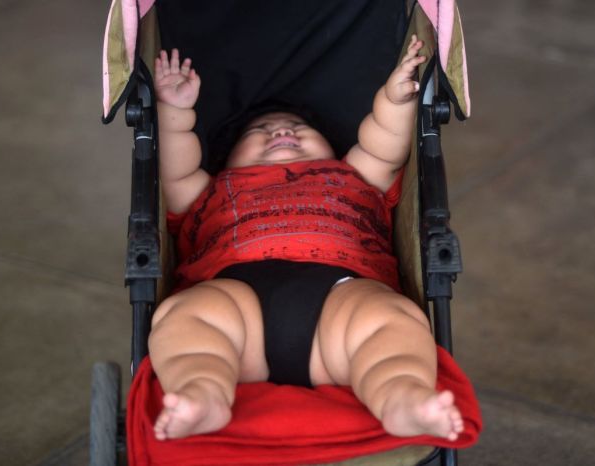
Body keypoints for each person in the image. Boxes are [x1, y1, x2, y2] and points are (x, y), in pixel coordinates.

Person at [149, 35, 464, 442]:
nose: (282, 130)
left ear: (334, 149)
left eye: (300, 128)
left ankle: (402, 399)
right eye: (260, 130)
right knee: (187, 317)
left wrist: (395, 99)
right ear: (227, 160)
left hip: (340, 296)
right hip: (234, 302)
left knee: (389, 322)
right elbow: (173, 169)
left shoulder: (353, 174)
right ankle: (203, 392)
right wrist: (175, 111)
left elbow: (383, 143)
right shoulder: (212, 189)